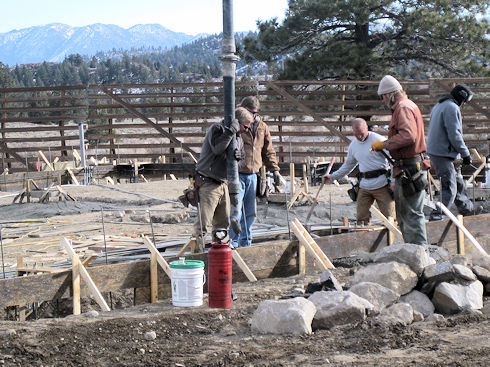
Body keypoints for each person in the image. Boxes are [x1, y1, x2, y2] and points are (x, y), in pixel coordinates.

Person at [371, 75, 428, 247]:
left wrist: (385, 144)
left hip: (410, 167)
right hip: (408, 167)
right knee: (406, 213)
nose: (382, 101)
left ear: (390, 94)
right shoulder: (406, 106)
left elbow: (408, 136)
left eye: (382, 97)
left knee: (411, 214)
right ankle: (415, 251)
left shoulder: (402, 108)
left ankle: (419, 253)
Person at [193, 107, 251, 251]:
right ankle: (195, 256)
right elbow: (218, 149)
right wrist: (230, 131)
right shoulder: (217, 129)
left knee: (222, 226)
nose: (247, 130)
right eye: (245, 126)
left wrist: (237, 159)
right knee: (203, 225)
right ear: (237, 123)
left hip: (223, 184)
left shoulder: (238, 138)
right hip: (208, 183)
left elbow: (242, 161)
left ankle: (218, 257)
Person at [229, 96, 282, 247]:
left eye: (254, 112)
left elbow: (268, 151)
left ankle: (246, 243)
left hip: (253, 175)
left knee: (250, 213)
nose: (252, 115)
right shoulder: (235, 124)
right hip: (237, 174)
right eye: (249, 111)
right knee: (235, 212)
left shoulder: (262, 127)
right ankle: (232, 243)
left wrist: (275, 170)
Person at [323, 118, 394, 225]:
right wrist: (333, 177)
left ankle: (395, 239)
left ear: (366, 128)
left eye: (361, 133)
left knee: (390, 218)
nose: (359, 137)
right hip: (364, 186)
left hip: (382, 184)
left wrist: (393, 180)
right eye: (356, 134)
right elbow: (348, 165)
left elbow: (393, 159)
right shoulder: (354, 146)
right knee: (361, 219)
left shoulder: (379, 140)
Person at [426, 84, 475, 220]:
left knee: (458, 180)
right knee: (449, 188)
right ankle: (436, 217)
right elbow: (454, 134)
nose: (464, 105)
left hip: (440, 151)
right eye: (464, 102)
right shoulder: (451, 107)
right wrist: (465, 154)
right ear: (461, 98)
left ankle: (466, 209)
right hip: (442, 153)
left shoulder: (440, 105)